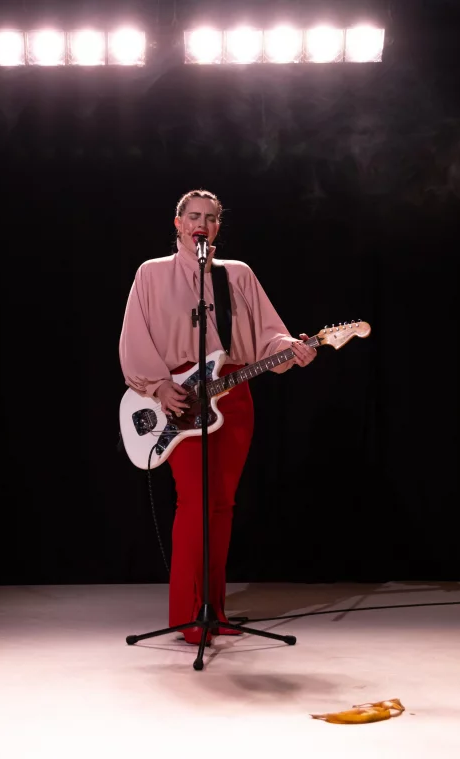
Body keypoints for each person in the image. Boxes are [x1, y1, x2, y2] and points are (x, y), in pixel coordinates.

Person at [118, 188, 317, 645]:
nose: (201, 223)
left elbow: (271, 337)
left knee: (223, 504)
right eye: (193, 215)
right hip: (178, 398)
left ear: (218, 227)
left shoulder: (237, 276)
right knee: (194, 502)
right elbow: (134, 338)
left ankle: (213, 610)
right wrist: (158, 386)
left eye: (210, 217)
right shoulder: (151, 274)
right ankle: (188, 616)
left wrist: (294, 350)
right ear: (178, 223)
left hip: (234, 392)